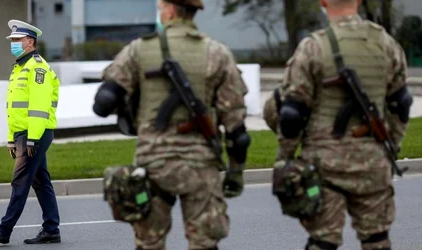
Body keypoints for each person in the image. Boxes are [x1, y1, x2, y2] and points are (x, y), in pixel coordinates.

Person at [93, 0, 251, 249]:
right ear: (192, 12)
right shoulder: (217, 53)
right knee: (205, 243)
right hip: (201, 166)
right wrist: (235, 174)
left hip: (153, 164)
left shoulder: (138, 50)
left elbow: (103, 103)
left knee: (149, 243)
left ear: (168, 9)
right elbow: (237, 132)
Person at [270, 0, 413, 249]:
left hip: (324, 166)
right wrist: (390, 148)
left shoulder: (313, 47)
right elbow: (400, 105)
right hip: (373, 163)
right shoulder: (386, 44)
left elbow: (292, 115)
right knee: (377, 239)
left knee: (323, 241)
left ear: (323, 1)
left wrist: (285, 159)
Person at [0, 19, 61, 245]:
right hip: (23, 134)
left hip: (35, 133)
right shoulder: (20, 68)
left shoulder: (38, 68)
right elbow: (13, 109)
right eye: (12, 40)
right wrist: (11, 140)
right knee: (40, 181)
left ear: (30, 42)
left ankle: (4, 231)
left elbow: (39, 108)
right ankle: (52, 229)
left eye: (17, 39)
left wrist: (32, 139)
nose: (13, 43)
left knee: (20, 181)